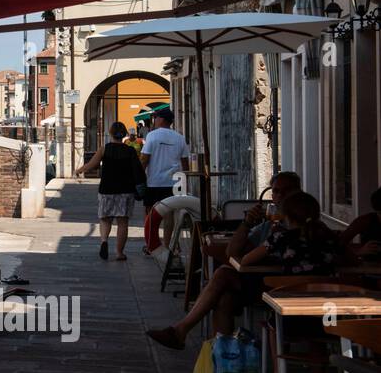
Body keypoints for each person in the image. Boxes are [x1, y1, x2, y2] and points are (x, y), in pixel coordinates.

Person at [147, 191, 341, 350]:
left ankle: (187, 334)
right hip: (327, 311)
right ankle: (215, 354)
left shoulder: (280, 237)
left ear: (287, 216)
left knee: (223, 275)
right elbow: (349, 258)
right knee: (225, 297)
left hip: (283, 303)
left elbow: (244, 261)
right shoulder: (330, 237)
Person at [75, 121, 143, 260]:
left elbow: (92, 165)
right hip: (126, 190)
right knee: (122, 222)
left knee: (105, 219)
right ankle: (119, 253)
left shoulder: (104, 149)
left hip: (107, 189)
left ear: (111, 133)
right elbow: (138, 170)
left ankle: (104, 241)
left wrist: (79, 170)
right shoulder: (130, 151)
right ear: (124, 134)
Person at [140, 108, 190, 247]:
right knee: (169, 214)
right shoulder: (179, 137)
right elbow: (185, 162)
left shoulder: (152, 136)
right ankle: (167, 245)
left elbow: (144, 159)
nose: (154, 121)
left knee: (151, 214)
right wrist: (186, 181)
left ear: (161, 119)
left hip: (154, 182)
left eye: (155, 118)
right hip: (174, 182)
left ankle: (151, 244)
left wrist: (138, 176)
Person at [225, 171, 302, 261]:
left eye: (287, 190)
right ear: (272, 196)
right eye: (276, 191)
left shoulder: (310, 228)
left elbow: (245, 260)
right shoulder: (267, 227)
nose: (280, 195)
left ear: (298, 193)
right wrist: (247, 223)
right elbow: (231, 253)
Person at [342, 186, 381, 261]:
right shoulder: (365, 221)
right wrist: (359, 251)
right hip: (369, 269)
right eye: (380, 213)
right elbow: (338, 245)